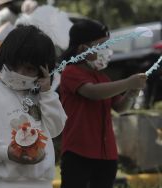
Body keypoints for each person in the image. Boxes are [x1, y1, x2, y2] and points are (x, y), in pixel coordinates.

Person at [0, 25, 67, 188]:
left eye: (29, 69)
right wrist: (5, 152)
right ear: (5, 59)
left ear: (43, 71)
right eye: (15, 65)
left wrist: (47, 93)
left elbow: (56, 128)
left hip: (42, 183)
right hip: (3, 183)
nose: (20, 72)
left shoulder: (43, 96)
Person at [59, 19, 147, 188]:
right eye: (102, 46)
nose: (107, 50)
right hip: (78, 153)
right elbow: (93, 93)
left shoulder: (103, 77)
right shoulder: (71, 73)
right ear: (82, 49)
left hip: (107, 156)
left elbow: (120, 107)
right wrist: (128, 82)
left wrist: (131, 93)